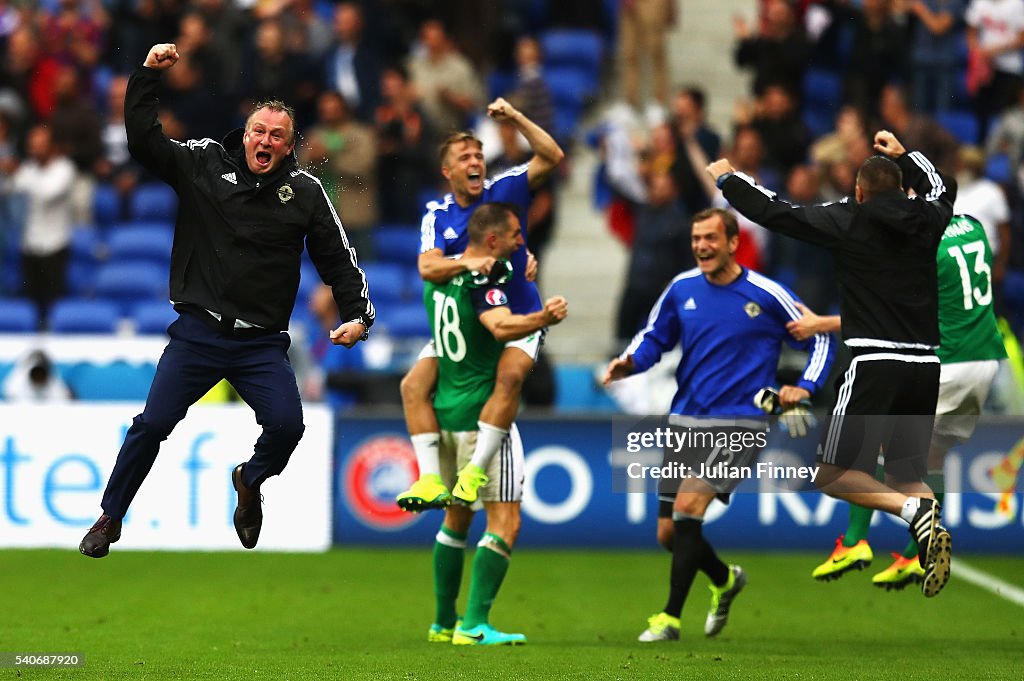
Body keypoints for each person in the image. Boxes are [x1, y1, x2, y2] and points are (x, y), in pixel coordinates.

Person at [78, 43, 374, 559]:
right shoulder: (205, 162)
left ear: (288, 147)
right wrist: (147, 77)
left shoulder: (304, 192)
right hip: (198, 334)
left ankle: (249, 478)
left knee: (288, 425)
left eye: (277, 136)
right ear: (247, 133)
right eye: (260, 130)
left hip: (260, 344)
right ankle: (110, 517)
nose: (266, 140)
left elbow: (338, 259)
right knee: (152, 424)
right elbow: (144, 142)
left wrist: (358, 315)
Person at [707, 130, 956, 597]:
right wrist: (908, 155)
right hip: (925, 365)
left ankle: (913, 515)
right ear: (904, 189)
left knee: (833, 473)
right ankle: (925, 532)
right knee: (906, 474)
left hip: (874, 362)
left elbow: (778, 212)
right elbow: (944, 187)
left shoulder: (849, 218)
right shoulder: (928, 217)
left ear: (859, 191)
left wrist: (729, 180)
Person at [603, 207, 835, 642]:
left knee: (689, 507)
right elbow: (655, 336)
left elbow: (820, 335)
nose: (701, 247)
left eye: (710, 239)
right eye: (696, 239)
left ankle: (669, 618)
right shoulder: (682, 288)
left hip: (743, 420)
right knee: (669, 533)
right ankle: (725, 580)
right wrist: (630, 363)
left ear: (732, 243)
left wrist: (805, 386)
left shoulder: (767, 294)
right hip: (687, 416)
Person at [790, 214, 1007, 588]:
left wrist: (821, 323)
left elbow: (885, 316)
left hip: (948, 362)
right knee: (933, 458)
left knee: (871, 451)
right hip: (984, 360)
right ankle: (913, 555)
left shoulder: (922, 246)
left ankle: (855, 542)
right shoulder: (972, 224)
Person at [395, 96, 564, 511]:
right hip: (463, 330)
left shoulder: (505, 190)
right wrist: (470, 261)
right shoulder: (437, 215)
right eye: (463, 156)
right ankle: (431, 479)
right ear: (447, 170)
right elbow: (427, 268)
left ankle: (475, 471)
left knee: (510, 379)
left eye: (478, 154)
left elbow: (552, 155)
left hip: (517, 313)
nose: (475, 161)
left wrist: (516, 116)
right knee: (412, 385)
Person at [426, 202, 567, 646]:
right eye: (514, 235)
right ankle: (473, 625)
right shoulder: (483, 279)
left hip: (445, 409)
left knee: (455, 519)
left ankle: (442, 622)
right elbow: (500, 325)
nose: (521, 241)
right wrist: (542, 318)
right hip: (484, 414)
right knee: (504, 521)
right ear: (492, 240)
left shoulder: (440, 280)